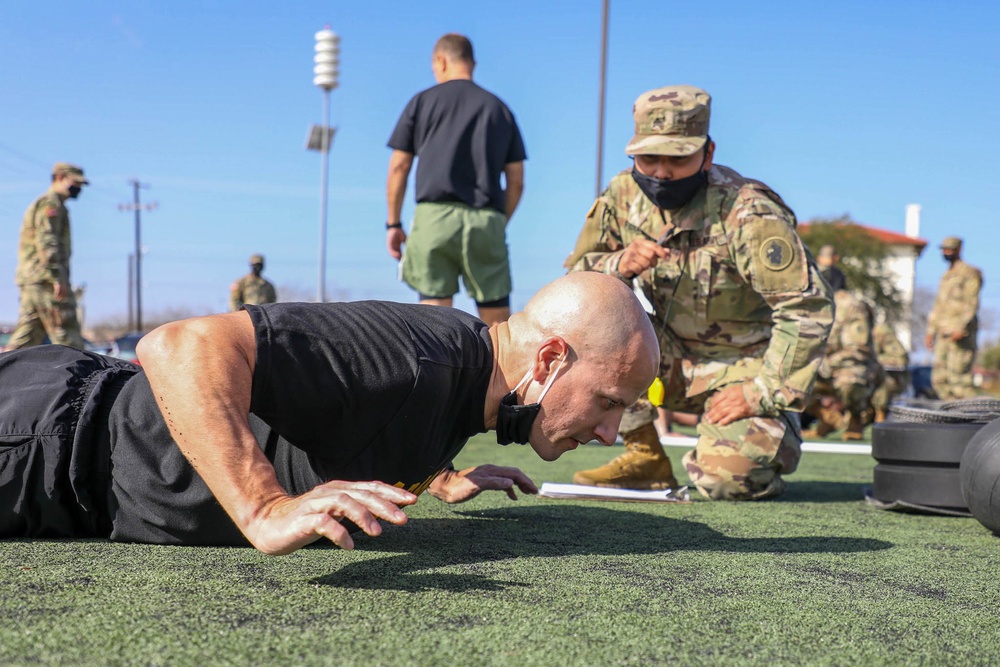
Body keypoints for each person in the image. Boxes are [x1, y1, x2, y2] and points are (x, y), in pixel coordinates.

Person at [0, 272, 659, 555]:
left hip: (64, 453)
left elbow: (387, 416)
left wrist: (440, 471)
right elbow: (179, 346)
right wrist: (263, 506)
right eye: (608, 401)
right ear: (548, 359)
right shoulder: (418, 356)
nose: (608, 431)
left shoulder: (471, 379)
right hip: (46, 442)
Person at [566, 85, 834, 500]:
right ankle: (645, 457)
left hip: (746, 367)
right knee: (588, 321)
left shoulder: (747, 211)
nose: (660, 172)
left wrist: (760, 392)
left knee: (727, 481)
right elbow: (573, 282)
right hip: (667, 358)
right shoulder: (620, 196)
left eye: (677, 159)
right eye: (648, 157)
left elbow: (808, 307)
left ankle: (769, 431)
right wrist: (616, 264)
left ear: (707, 154)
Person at [385, 33, 527, 327]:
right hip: (486, 218)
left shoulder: (422, 102)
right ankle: (505, 371)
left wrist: (394, 223)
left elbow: (399, 166)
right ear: (472, 63)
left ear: (440, 60)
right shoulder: (500, 109)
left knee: (434, 322)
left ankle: (440, 372)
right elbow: (516, 181)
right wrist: (499, 221)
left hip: (434, 218)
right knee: (498, 324)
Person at [4, 162, 89, 351]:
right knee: (67, 335)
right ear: (60, 178)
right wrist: (57, 277)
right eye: (75, 183)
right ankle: (82, 377)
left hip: (34, 279)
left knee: (27, 336)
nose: (78, 189)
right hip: (45, 279)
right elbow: (47, 241)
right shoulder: (51, 204)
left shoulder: (52, 204)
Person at [802, 290, 883, 440]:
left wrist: (826, 363)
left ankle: (855, 418)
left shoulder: (851, 306)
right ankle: (827, 418)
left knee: (850, 381)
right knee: (788, 378)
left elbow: (858, 348)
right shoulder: (802, 303)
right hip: (820, 367)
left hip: (852, 367)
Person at [925, 236, 982, 400]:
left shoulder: (969, 273)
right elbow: (938, 306)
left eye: (949, 249)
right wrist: (931, 331)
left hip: (959, 335)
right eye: (943, 249)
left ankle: (971, 420)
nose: (946, 252)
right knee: (940, 380)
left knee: (960, 380)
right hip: (943, 333)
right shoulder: (945, 276)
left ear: (959, 250)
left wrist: (962, 327)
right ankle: (953, 418)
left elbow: (972, 303)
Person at [871, 322, 910, 422]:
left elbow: (901, 359)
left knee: (884, 380)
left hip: (882, 380)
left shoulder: (880, 332)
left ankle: (880, 414)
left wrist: (872, 360)